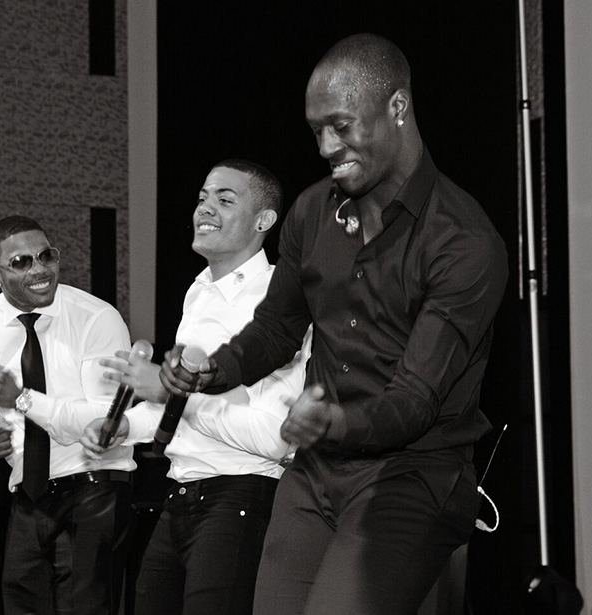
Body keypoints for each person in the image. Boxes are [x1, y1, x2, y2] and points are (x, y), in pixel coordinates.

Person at [159, 33, 510, 615]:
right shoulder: (313, 211)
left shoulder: (463, 243)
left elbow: (415, 402)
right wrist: (211, 371)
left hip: (412, 474)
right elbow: (276, 328)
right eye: (316, 129)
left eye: (341, 126)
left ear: (397, 107)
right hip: (316, 472)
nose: (326, 146)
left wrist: (334, 421)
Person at [80, 159, 311, 615]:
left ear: (264, 220)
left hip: (242, 496)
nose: (204, 208)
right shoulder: (198, 291)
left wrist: (170, 395)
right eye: (203, 197)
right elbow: (179, 408)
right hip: (181, 492)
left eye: (225, 200)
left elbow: (274, 438)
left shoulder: (278, 298)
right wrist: (124, 427)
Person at [0, 215, 134, 615]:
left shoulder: (96, 317)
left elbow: (104, 422)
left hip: (95, 486)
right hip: (28, 493)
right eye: (21, 262)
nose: (39, 270)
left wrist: (22, 399)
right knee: (20, 603)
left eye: (46, 256)